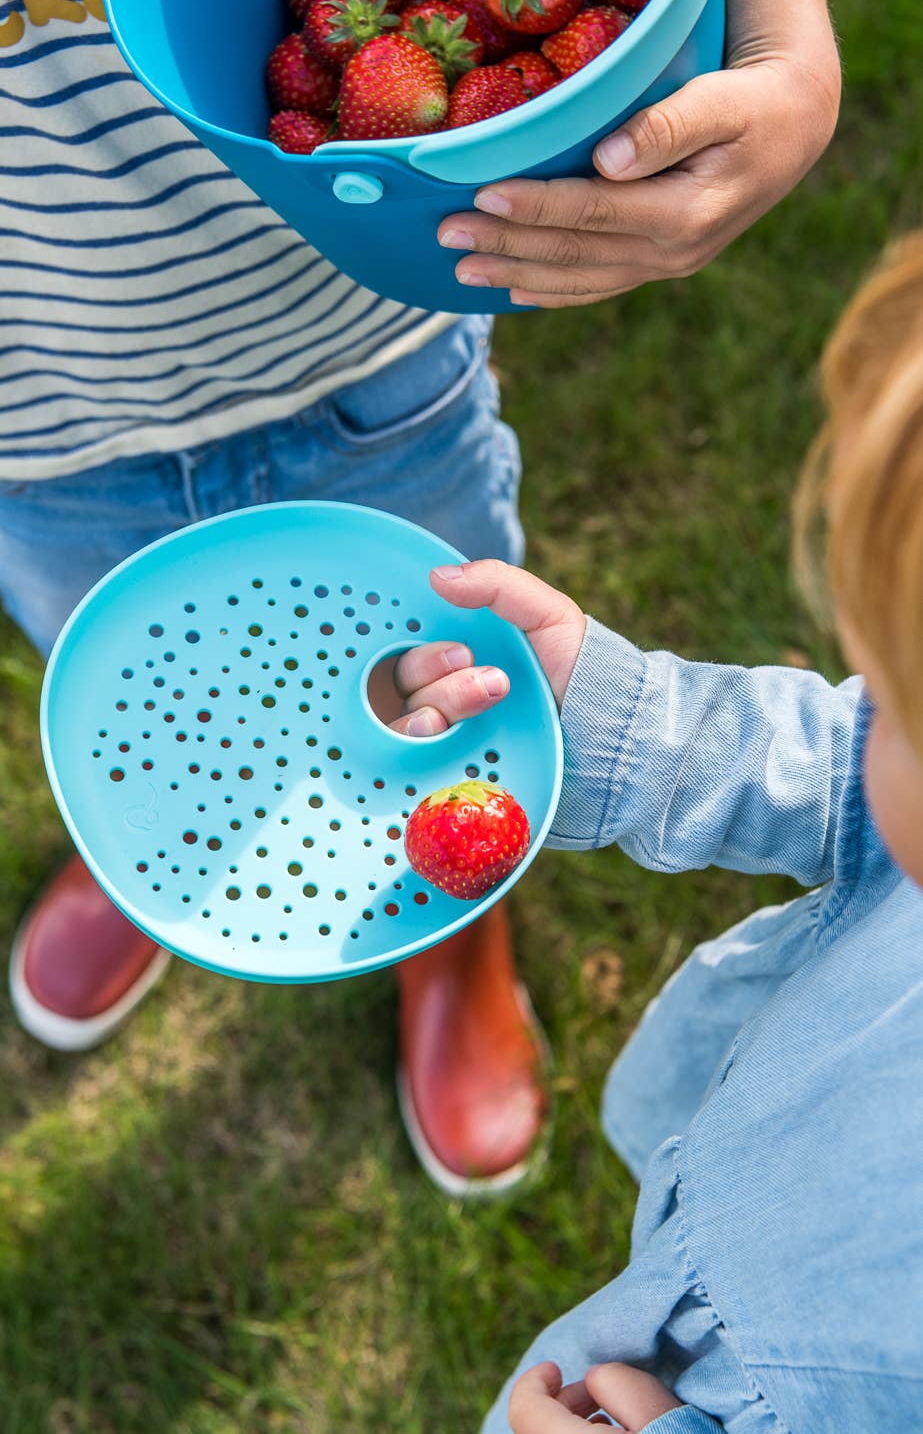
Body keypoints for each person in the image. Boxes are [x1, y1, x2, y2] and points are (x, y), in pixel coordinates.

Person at [0, 0, 839, 1195]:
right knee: (145, 678)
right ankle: (175, 819)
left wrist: (784, 37)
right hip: (30, 404)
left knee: (444, 681)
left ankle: (452, 919)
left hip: (357, 351)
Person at [391, 234, 923, 1428]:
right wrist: (620, 722)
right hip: (731, 1218)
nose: (865, 719)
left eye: (895, 708)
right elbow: (840, 775)